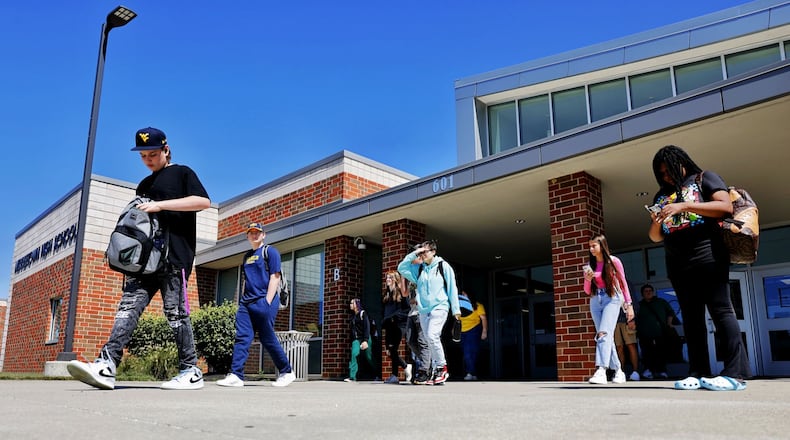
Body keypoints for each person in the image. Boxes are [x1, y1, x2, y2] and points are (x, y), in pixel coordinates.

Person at [67, 127, 210, 390]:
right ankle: (106, 365)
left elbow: (202, 202)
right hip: (143, 261)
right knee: (128, 308)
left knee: (175, 313)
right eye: (143, 156)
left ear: (166, 149)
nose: (148, 160)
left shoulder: (182, 173)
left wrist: (161, 205)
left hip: (174, 258)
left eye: (153, 154)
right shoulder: (144, 185)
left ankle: (191, 371)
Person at [648, 145, 751, 391]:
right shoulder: (661, 195)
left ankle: (733, 374)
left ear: (682, 163)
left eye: (669, 170)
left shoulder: (704, 178)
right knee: (692, 319)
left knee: (721, 311)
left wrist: (683, 206)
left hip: (708, 255)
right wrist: (656, 222)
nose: (666, 177)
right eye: (661, 174)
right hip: (677, 263)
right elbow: (655, 237)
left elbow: (724, 206)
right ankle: (698, 372)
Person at [217, 222, 296, 388]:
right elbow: (247, 280)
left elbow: (275, 277)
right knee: (242, 337)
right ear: (247, 236)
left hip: (264, 300)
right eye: (251, 233)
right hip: (247, 303)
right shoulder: (246, 256)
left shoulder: (270, 252)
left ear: (263, 235)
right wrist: (242, 300)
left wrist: (267, 301)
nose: (254, 235)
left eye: (257, 232)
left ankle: (287, 371)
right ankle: (236, 375)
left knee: (267, 338)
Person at [398, 240, 460, 385]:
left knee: (432, 335)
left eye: (425, 251)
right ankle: (435, 371)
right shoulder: (419, 270)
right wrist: (416, 253)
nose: (423, 254)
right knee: (429, 340)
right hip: (423, 310)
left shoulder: (443, 266)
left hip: (440, 307)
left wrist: (456, 311)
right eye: (421, 252)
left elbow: (452, 288)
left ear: (433, 251)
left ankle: (441, 367)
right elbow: (402, 267)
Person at [583, 234, 634, 385]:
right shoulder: (589, 264)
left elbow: (623, 283)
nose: (591, 249)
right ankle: (618, 370)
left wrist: (629, 304)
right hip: (595, 300)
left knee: (603, 333)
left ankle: (601, 370)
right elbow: (587, 291)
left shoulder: (614, 261)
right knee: (605, 336)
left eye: (594, 245)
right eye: (590, 246)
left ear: (602, 246)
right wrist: (588, 279)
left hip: (612, 298)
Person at [636, 284, 675, 380]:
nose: (648, 292)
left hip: (660, 332)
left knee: (661, 352)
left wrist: (669, 324)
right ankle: (648, 371)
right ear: (642, 294)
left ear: (653, 292)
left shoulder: (661, 302)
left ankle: (662, 371)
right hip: (644, 334)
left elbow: (670, 312)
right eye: (646, 291)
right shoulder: (639, 305)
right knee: (647, 353)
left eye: (650, 291)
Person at [382, 271, 411, 384]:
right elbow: (384, 311)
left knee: (393, 349)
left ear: (395, 279)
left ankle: (400, 370)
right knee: (390, 350)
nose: (387, 279)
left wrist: (393, 317)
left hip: (399, 325)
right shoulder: (386, 294)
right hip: (389, 325)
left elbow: (406, 310)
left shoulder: (400, 292)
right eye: (387, 277)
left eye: (389, 277)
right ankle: (397, 373)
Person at [405, 281, 432, 384]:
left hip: (422, 313)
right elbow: (405, 294)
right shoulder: (410, 281)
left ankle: (425, 370)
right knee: (410, 341)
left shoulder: (424, 279)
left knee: (422, 342)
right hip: (411, 313)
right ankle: (428, 362)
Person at [459, 290, 487, 381]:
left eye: (464, 294)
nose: (463, 295)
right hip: (462, 331)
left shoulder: (478, 306)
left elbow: (483, 319)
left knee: (470, 353)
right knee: (466, 353)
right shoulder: (460, 307)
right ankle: (473, 373)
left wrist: (484, 331)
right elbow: (457, 320)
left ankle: (470, 372)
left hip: (474, 330)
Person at [345, 297, 374, 382]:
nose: (350, 305)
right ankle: (352, 376)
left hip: (365, 338)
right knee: (354, 354)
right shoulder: (353, 316)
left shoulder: (362, 313)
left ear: (356, 304)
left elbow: (367, 326)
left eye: (351, 303)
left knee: (369, 357)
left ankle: (376, 372)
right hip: (356, 339)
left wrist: (365, 340)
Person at [613, 306, 640, 381]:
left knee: (631, 345)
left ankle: (635, 372)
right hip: (614, 321)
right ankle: (620, 372)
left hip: (627, 320)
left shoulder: (628, 293)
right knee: (618, 346)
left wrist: (633, 319)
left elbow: (634, 304)